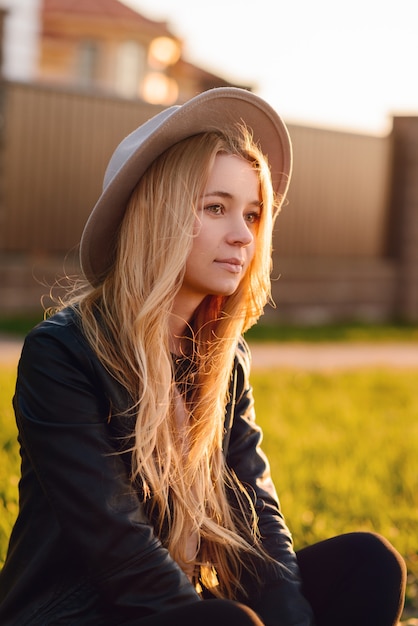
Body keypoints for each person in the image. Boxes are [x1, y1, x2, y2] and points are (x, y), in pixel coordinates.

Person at [0, 88, 406, 626]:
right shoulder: (63, 354)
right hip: (79, 613)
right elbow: (119, 550)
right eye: (216, 208)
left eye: (254, 214)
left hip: (180, 609)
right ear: (157, 214)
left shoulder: (223, 356)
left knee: (368, 563)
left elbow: (256, 520)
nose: (243, 237)